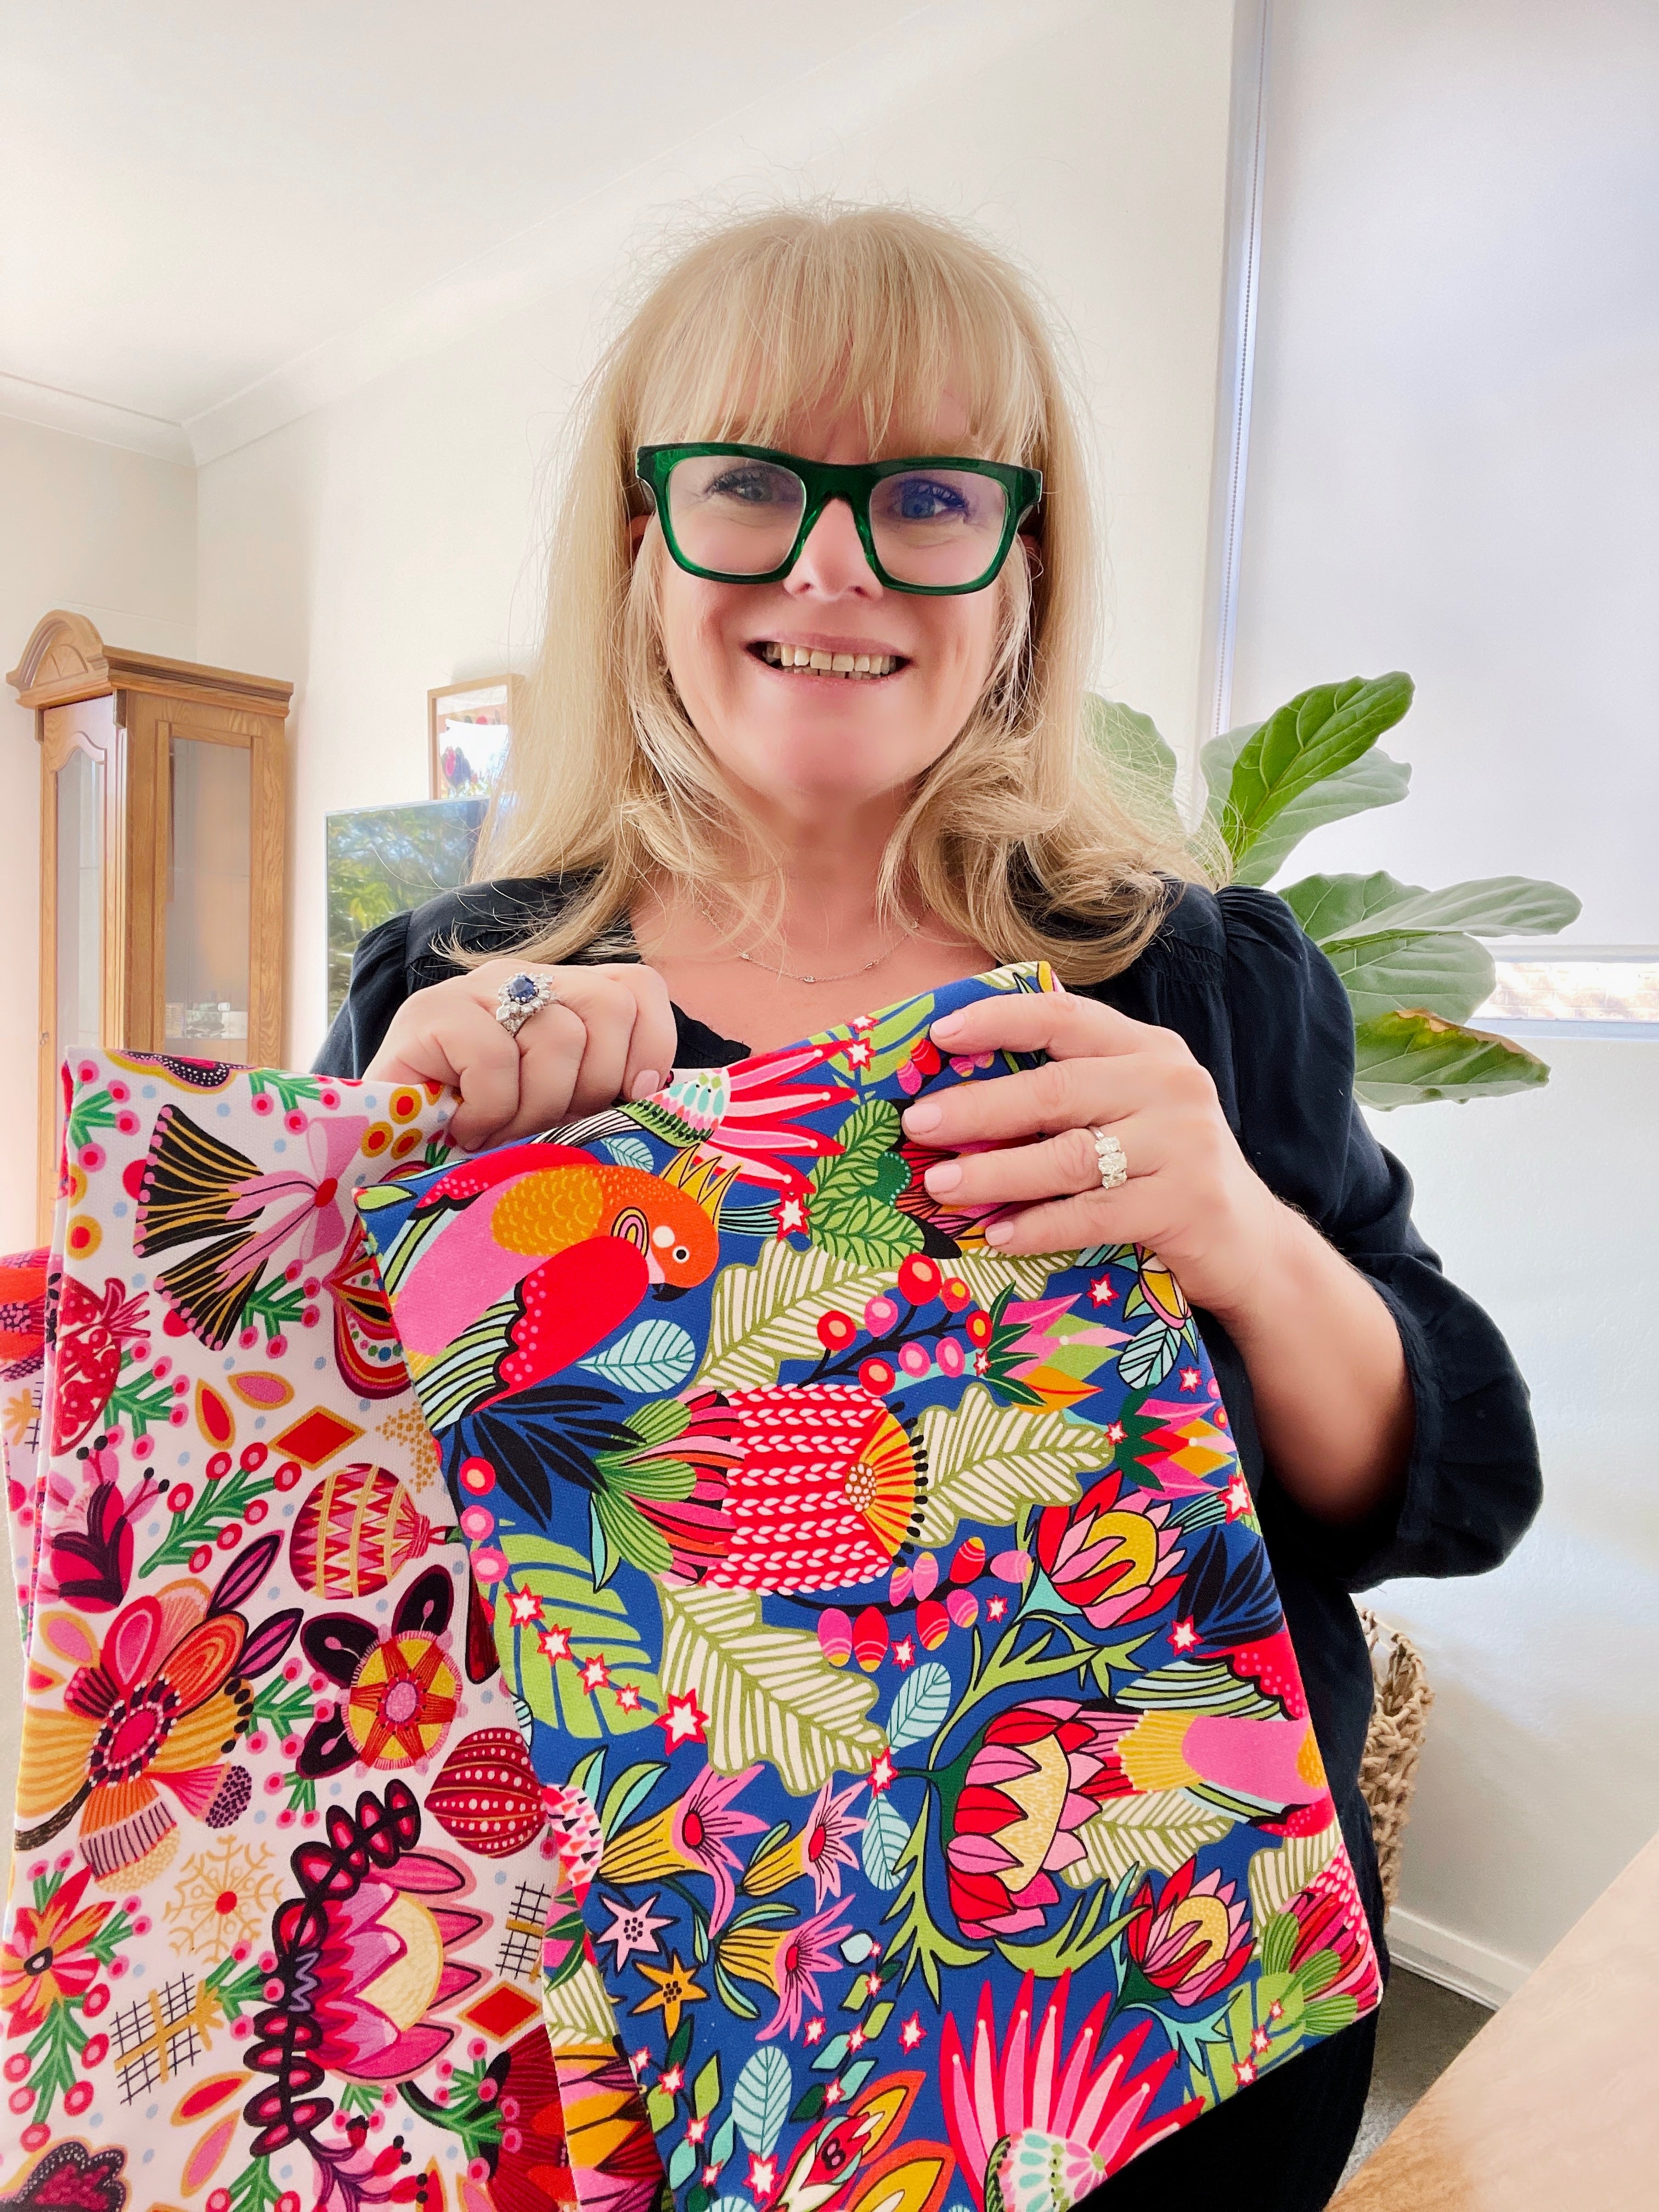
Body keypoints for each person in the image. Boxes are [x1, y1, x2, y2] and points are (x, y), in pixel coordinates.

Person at [316, 202, 1541, 2209]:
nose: (831, 562)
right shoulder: (455, 985)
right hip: (655, 2035)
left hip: (1160, 2047)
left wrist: (1228, 1218)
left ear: (1022, 564)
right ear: (642, 549)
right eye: (749, 486)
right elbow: (350, 1557)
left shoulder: (1198, 979)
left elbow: (1457, 1485)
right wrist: (386, 1190)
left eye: (924, 497)